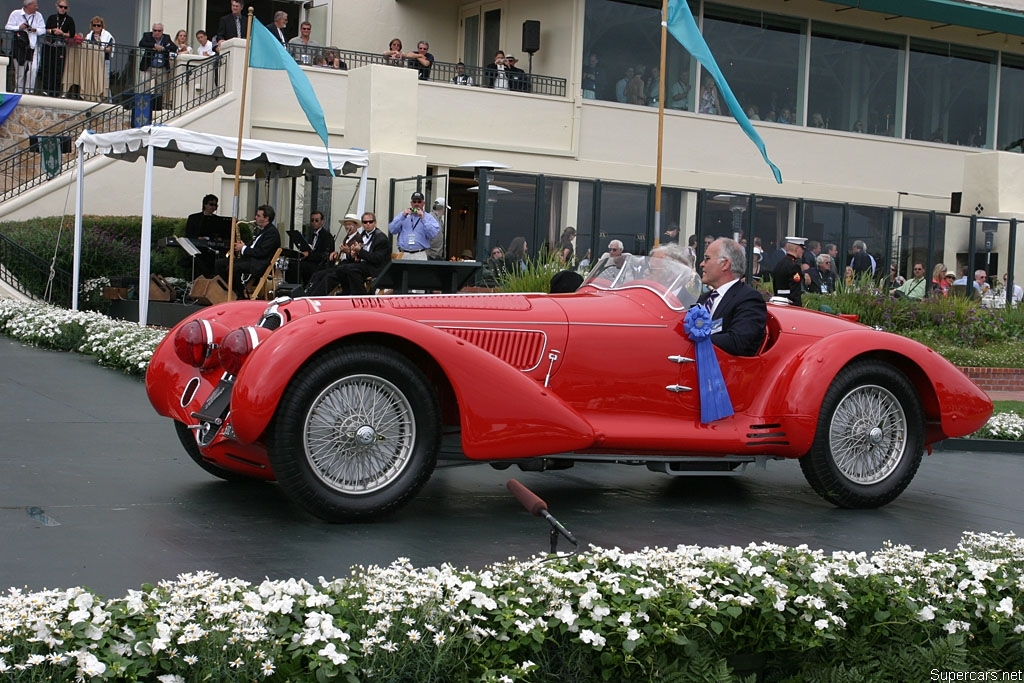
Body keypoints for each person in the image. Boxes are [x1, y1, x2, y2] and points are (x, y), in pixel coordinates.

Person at [696, 237, 767, 357]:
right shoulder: (704, 299)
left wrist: (696, 340)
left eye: (707, 259)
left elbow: (740, 342)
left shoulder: (749, 299)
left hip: (725, 371)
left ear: (725, 264)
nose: (701, 264)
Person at [305, 212, 391, 296]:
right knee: (338, 270)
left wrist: (359, 252)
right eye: (365, 222)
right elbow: (356, 256)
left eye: (370, 222)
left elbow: (377, 259)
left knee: (348, 269)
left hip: (375, 268)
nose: (368, 224)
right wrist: (353, 254)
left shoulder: (381, 238)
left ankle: (360, 296)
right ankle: (344, 293)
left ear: (375, 223)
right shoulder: (363, 235)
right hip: (363, 264)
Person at [215, 204, 282, 299]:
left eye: (258, 216)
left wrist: (243, 248)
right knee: (219, 263)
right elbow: (254, 246)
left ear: (266, 218)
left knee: (234, 267)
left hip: (259, 264)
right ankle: (228, 290)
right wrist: (244, 245)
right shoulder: (264, 231)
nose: (255, 217)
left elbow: (261, 252)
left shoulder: (272, 233)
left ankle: (240, 295)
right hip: (251, 260)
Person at [6, 0, 47, 94]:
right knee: (20, 71)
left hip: (33, 46)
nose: (37, 7)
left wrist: (35, 29)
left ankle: (29, 91)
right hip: (20, 46)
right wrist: (19, 28)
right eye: (35, 5)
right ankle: (19, 90)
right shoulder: (16, 14)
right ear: (28, 5)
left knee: (34, 69)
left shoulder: (38, 15)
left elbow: (43, 30)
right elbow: (7, 27)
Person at [389, 191, 439, 260]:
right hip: (403, 253)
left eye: (419, 202)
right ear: (411, 203)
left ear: (423, 203)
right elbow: (392, 230)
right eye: (414, 201)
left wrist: (423, 218)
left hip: (419, 254)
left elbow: (433, 234)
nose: (416, 204)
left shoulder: (429, 217)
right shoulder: (403, 215)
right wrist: (402, 217)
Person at [39, 0, 74, 97]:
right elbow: (45, 29)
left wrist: (62, 33)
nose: (63, 9)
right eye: (61, 6)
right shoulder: (52, 17)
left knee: (58, 70)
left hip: (60, 47)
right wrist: (52, 30)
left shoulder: (69, 20)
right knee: (47, 67)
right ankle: (46, 90)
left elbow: (72, 34)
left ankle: (56, 91)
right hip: (48, 45)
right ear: (57, 6)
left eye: (65, 7)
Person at [291, 211, 335, 286]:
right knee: (292, 263)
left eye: (316, 220)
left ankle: (298, 287)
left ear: (322, 222)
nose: (314, 222)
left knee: (297, 266)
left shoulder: (327, 236)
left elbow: (323, 255)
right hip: (310, 262)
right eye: (312, 220)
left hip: (319, 265)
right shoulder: (312, 234)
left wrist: (309, 254)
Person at [138, 23, 174, 94]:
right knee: (145, 85)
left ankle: (157, 104)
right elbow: (141, 44)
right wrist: (154, 45)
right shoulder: (147, 35)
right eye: (155, 30)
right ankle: (145, 103)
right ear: (152, 30)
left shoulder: (166, 37)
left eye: (159, 31)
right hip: (148, 66)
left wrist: (163, 48)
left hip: (161, 67)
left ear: (162, 31)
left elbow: (173, 47)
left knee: (161, 89)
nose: (157, 32)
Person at [772, 236, 806, 306]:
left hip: (778, 301)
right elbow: (795, 290)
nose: (803, 251)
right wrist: (798, 306)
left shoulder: (780, 263)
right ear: (796, 249)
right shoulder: (794, 266)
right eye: (802, 248)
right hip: (789, 303)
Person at [85, 16, 114, 93]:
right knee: (92, 80)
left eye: (99, 25)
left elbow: (109, 49)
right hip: (92, 61)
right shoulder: (89, 36)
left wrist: (99, 44)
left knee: (105, 82)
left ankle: (108, 101)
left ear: (102, 26)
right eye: (94, 25)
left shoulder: (107, 36)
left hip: (104, 61)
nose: (96, 27)